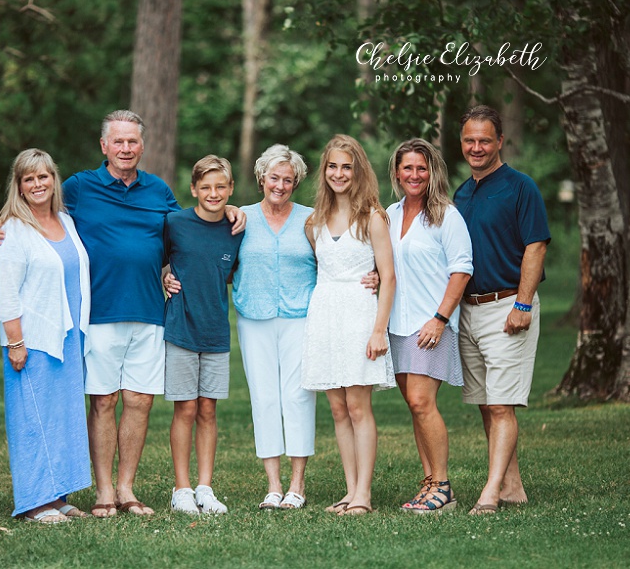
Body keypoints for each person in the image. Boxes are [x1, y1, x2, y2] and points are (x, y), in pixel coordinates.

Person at [0, 110, 245, 516]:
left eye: (133, 141)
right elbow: (38, 209)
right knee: (105, 401)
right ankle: (104, 493)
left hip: (150, 311)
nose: (126, 148)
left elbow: (192, 226)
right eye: (119, 141)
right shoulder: (78, 187)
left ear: (141, 146)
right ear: (104, 146)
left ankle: (127, 490)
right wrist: (0, 225)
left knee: (140, 400)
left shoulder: (158, 190)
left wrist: (233, 212)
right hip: (99, 313)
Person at [163, 144, 378, 511]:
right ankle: (273, 485)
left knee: (297, 397)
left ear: (296, 183)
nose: (280, 185)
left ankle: (297, 485)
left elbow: (339, 256)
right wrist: (168, 274)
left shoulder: (313, 219)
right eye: (273, 178)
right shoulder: (238, 218)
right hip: (253, 318)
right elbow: (204, 252)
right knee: (264, 399)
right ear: (261, 178)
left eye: (288, 180)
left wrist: (369, 274)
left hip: (301, 319)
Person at [453, 105, 551, 515]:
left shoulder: (520, 187)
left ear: (499, 142)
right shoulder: (461, 192)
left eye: (484, 140)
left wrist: (523, 303)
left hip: (508, 306)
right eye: (469, 140)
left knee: (501, 404)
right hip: (469, 310)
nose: (476, 147)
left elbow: (537, 245)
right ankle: (511, 485)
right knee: (485, 401)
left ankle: (490, 494)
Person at [0, 149, 92, 524]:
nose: (38, 184)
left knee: (62, 418)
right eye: (29, 179)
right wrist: (15, 342)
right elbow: (5, 290)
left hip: (68, 336)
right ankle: (35, 502)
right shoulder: (13, 230)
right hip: (32, 340)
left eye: (44, 176)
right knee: (33, 419)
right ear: (19, 186)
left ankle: (58, 495)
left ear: (54, 180)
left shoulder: (66, 220)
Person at [300, 134, 396, 516]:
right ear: (324, 171)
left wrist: (378, 329)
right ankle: (349, 489)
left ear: (358, 171)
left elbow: (387, 277)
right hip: (325, 315)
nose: (339, 173)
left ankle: (365, 495)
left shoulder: (373, 217)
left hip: (359, 315)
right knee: (338, 409)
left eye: (347, 166)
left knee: (358, 407)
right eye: (332, 166)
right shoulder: (314, 223)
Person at [385, 139, 473, 514]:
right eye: (408, 168)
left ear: (432, 172)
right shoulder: (389, 214)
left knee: (423, 402)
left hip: (430, 325)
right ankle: (428, 482)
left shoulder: (446, 215)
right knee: (414, 405)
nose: (415, 175)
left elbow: (462, 269)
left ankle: (443, 487)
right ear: (397, 172)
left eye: (421, 168)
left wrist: (440, 319)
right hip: (397, 325)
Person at [164, 155, 244, 515]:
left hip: (216, 332)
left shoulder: (237, 229)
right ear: (194, 189)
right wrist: (164, 276)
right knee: (185, 408)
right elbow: (153, 260)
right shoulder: (175, 223)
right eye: (206, 187)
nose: (213, 193)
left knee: (208, 410)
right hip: (181, 329)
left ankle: (204, 488)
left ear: (230, 190)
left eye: (220, 187)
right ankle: (181, 489)